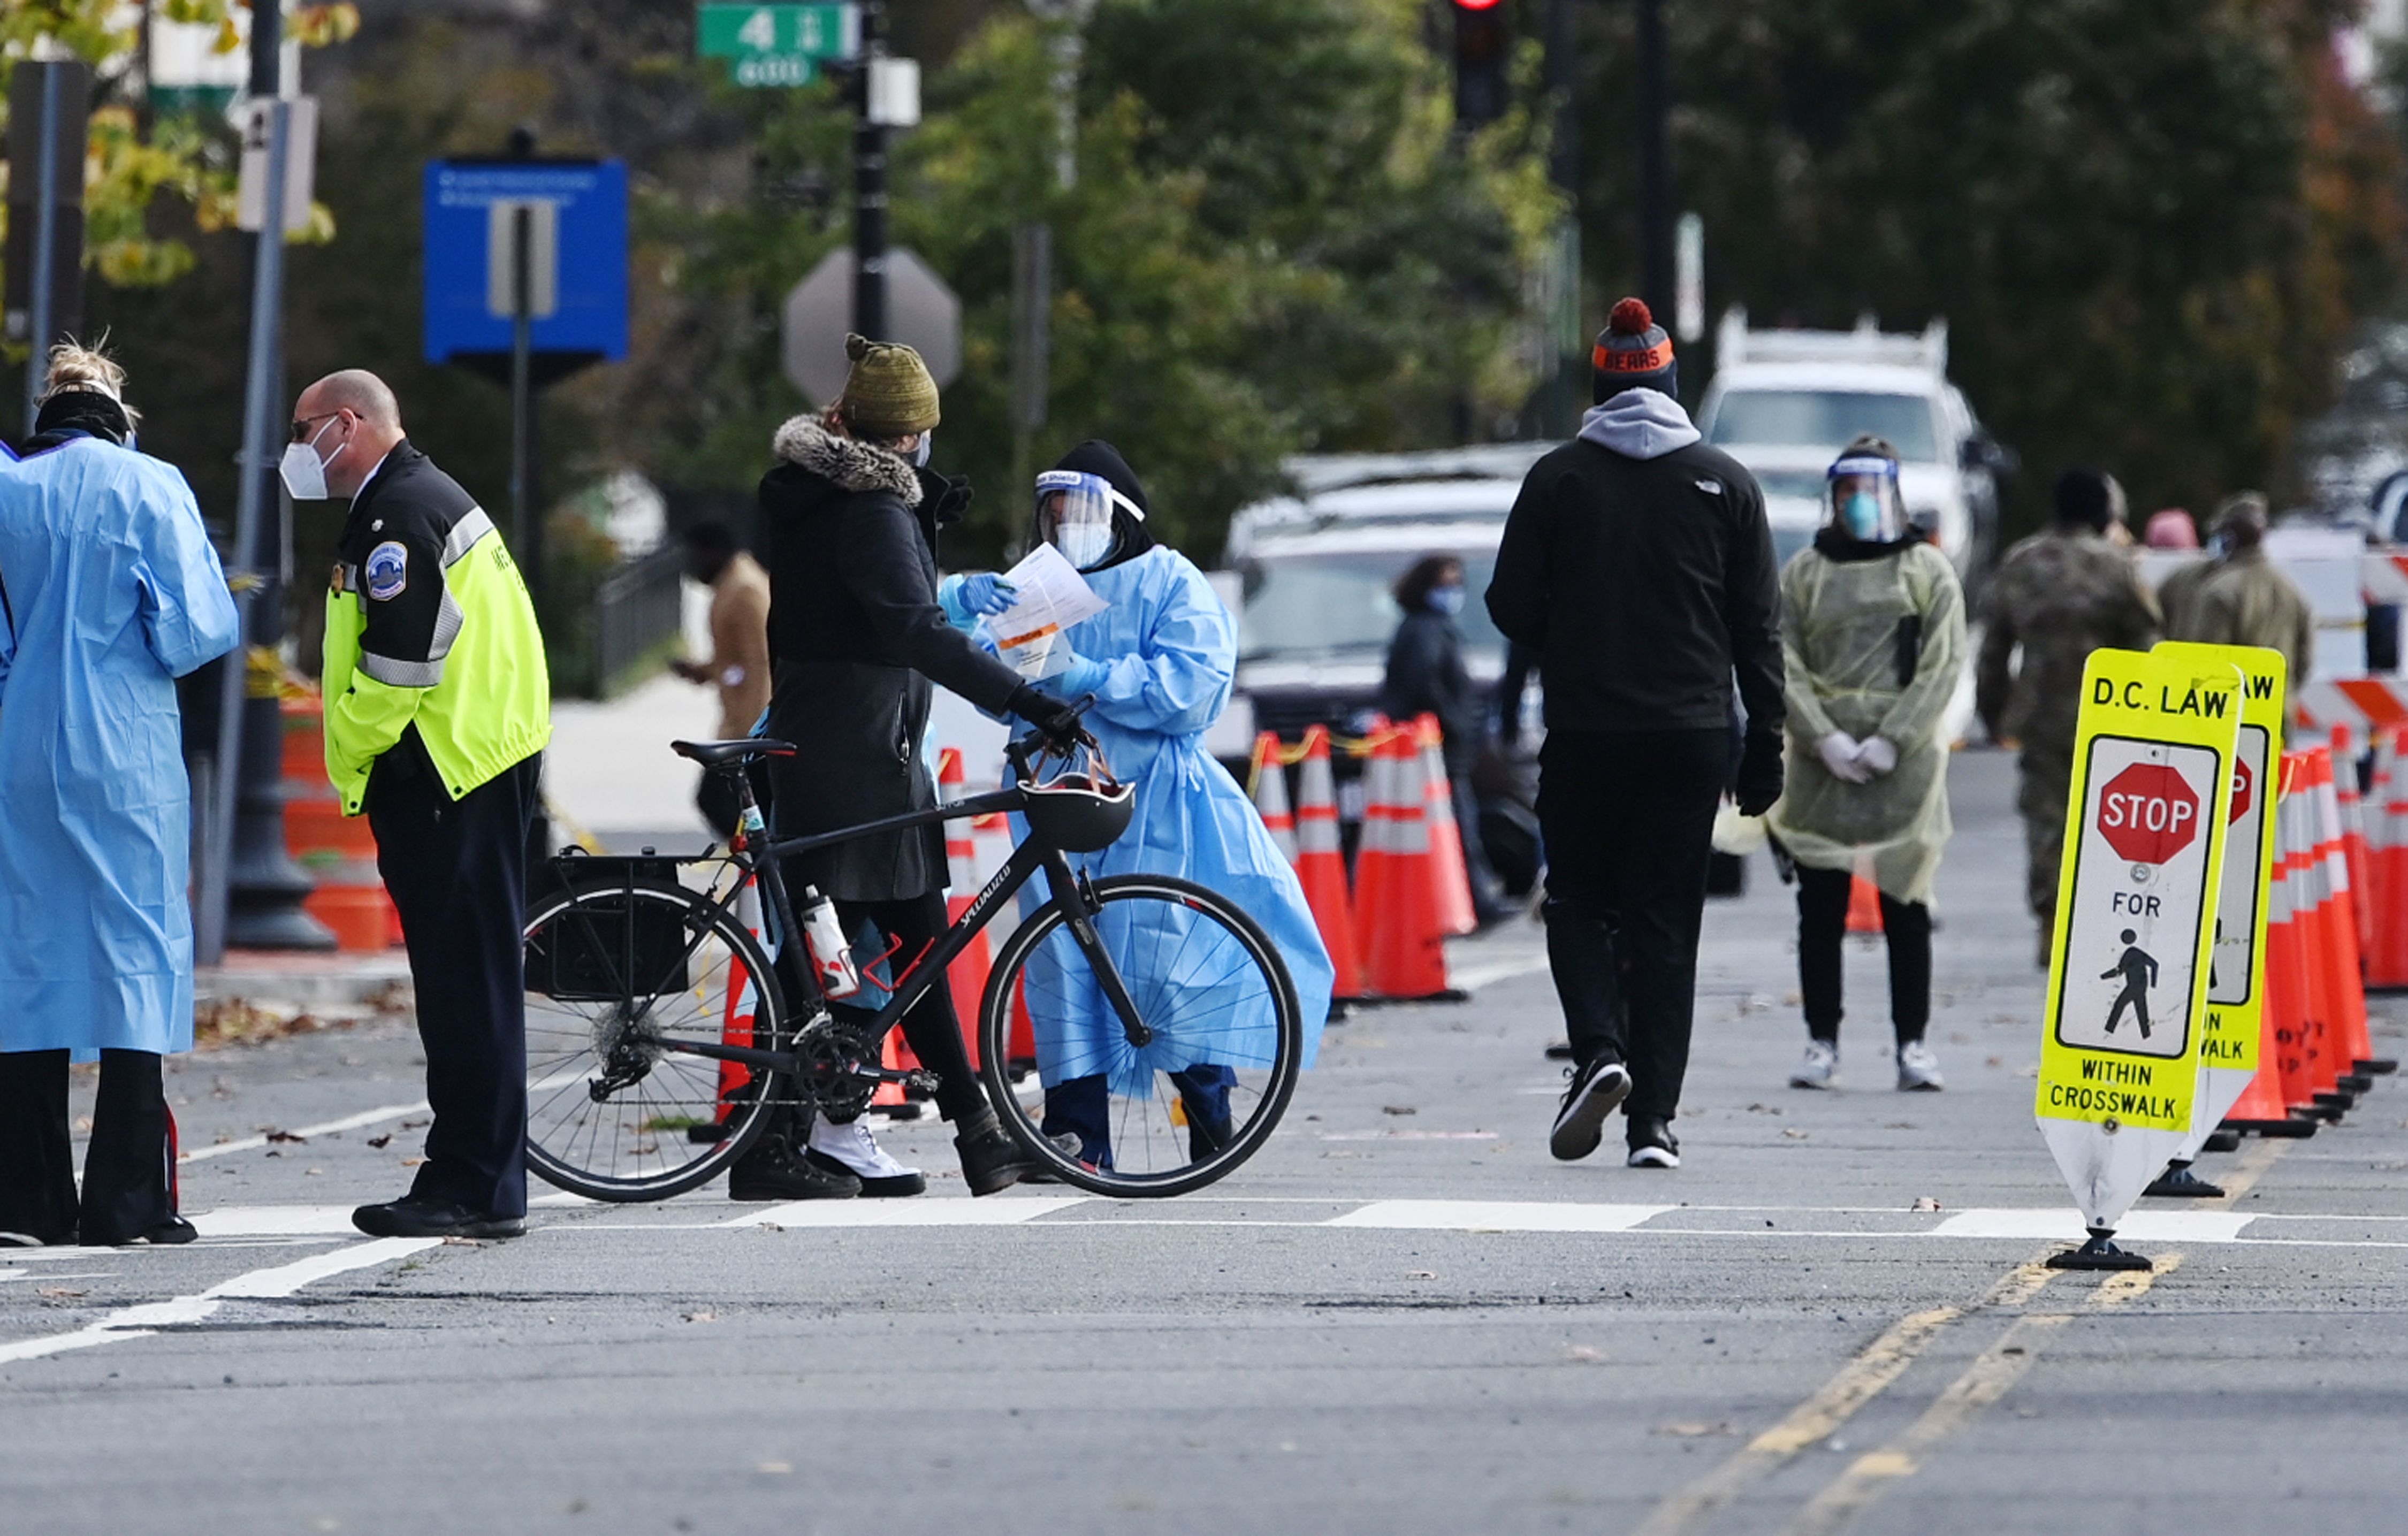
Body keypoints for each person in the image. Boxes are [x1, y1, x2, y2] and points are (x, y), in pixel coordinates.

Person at [752, 334, 1085, 1201]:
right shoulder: (870, 512)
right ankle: (951, 1132)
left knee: (868, 950)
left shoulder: (826, 498)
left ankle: (859, 1132)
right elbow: (913, 628)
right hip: (856, 757)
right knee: (894, 945)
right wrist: (1028, 698)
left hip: (841, 745)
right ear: (910, 436)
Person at [961, 442, 1333, 1168]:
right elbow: (989, 664)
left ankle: (1211, 1116)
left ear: (1120, 515)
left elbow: (1191, 688)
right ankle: (1078, 1136)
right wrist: (978, 622)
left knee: (1162, 962)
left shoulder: (1171, 580)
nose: (1068, 522)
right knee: (1060, 959)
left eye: (1082, 508)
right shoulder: (1036, 585)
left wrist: (1092, 675)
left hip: (1155, 799)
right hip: (1053, 793)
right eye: (1058, 509)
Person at [1487, 296, 1785, 1171]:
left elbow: (1508, 605)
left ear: (1600, 386)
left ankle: (1599, 1052)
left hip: (1587, 729)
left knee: (1578, 896)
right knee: (1665, 923)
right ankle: (1654, 1122)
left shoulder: (1558, 479)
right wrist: (1764, 741)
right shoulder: (1726, 483)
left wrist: (1573, 638)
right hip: (1691, 734)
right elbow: (1757, 629)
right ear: (1671, 384)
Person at [289, 369, 552, 1240]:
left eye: (305, 430)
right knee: (469, 985)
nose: (297, 450)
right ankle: (477, 1177)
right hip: (471, 764)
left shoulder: (396, 513)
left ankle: (470, 1184)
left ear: (349, 423)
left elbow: (403, 660)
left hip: (442, 773)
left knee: (463, 989)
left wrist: (353, 745)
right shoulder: (413, 498)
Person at [0, 343, 240, 1247]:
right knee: (138, 952)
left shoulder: (6, 483)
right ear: (117, 414)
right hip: (125, 748)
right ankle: (128, 1200)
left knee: (23, 957)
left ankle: (23, 1199)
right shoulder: (151, 486)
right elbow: (195, 632)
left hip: (17, 743)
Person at [1766, 437, 1965, 1093]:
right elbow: (1782, 660)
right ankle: (1822, 1041)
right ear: (1833, 495)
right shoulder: (1804, 574)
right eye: (1846, 490)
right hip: (1823, 767)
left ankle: (1913, 1045)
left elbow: (1942, 663)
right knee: (1819, 910)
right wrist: (1821, 735)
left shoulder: (1926, 571)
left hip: (1901, 769)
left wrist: (1895, 737)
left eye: (1868, 490)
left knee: (1904, 902)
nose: (1857, 503)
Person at [1977, 468, 2161, 960]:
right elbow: (2149, 641)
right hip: (2111, 718)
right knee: (2109, 822)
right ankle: (2104, 925)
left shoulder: (2021, 562)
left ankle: (2052, 926)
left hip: (2040, 716)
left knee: (2047, 821)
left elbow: (1993, 651)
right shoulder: (2117, 566)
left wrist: (1992, 715)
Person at [1378, 555, 1513, 925]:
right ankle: (1478, 900)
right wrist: (1455, 723)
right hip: (1438, 748)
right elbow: (1427, 683)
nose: (1452, 591)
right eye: (1445, 583)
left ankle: (1472, 897)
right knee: (1458, 824)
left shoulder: (1422, 627)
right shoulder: (1428, 631)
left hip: (1435, 746)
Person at [669, 521, 772, 838]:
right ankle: (761, 870)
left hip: (748, 727)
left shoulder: (745, 590)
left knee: (717, 801)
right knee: (733, 808)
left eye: (696, 556)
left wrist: (750, 736)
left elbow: (761, 664)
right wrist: (704, 670)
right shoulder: (733, 584)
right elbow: (736, 661)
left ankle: (763, 869)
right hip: (740, 724)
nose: (692, 566)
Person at [2170, 492, 2316, 684]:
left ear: (2228, 538)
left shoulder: (2219, 592)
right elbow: (2304, 661)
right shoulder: (2291, 591)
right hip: (2277, 709)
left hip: (2230, 710)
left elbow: (2204, 664)